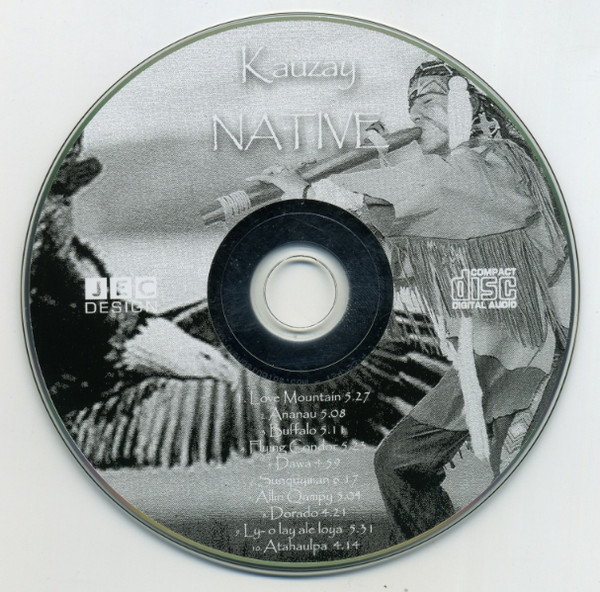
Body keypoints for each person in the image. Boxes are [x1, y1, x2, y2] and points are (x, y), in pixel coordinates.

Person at [249, 60, 571, 541]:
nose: (416, 115)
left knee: (525, 483)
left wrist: (318, 188)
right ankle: (441, 561)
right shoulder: (451, 179)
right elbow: (384, 251)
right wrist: (307, 201)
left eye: (430, 101)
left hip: (543, 359)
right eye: (411, 106)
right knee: (399, 463)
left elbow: (439, 189)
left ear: (470, 109)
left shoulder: (501, 163)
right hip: (487, 363)